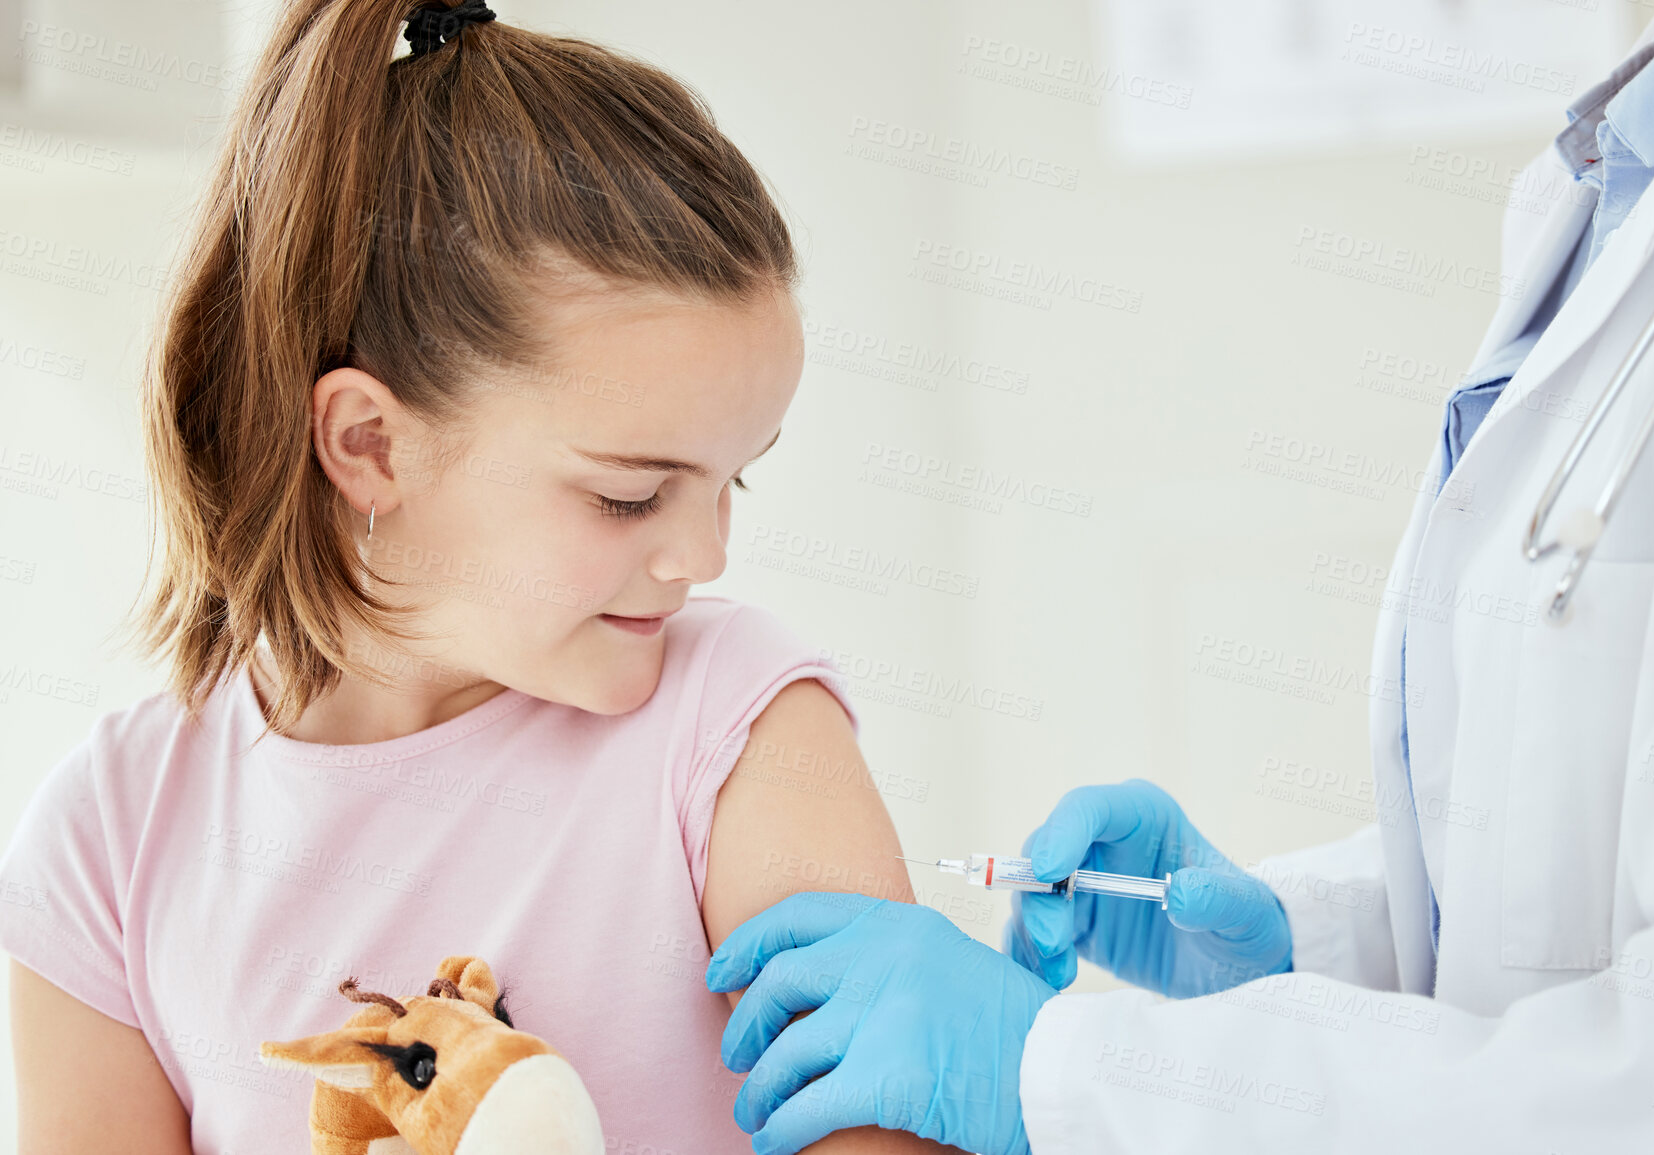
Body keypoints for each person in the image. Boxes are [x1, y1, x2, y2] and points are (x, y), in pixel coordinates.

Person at [705, 2, 1654, 1152]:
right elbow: (1576, 850)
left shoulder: (745, 704)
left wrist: (1067, 1076)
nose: (699, 557)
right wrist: (1311, 938)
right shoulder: (1623, 162)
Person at [0, 3, 955, 1153]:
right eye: (627, 496)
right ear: (370, 445)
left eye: (730, 483)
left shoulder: (741, 731)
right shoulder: (112, 839)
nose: (702, 559)